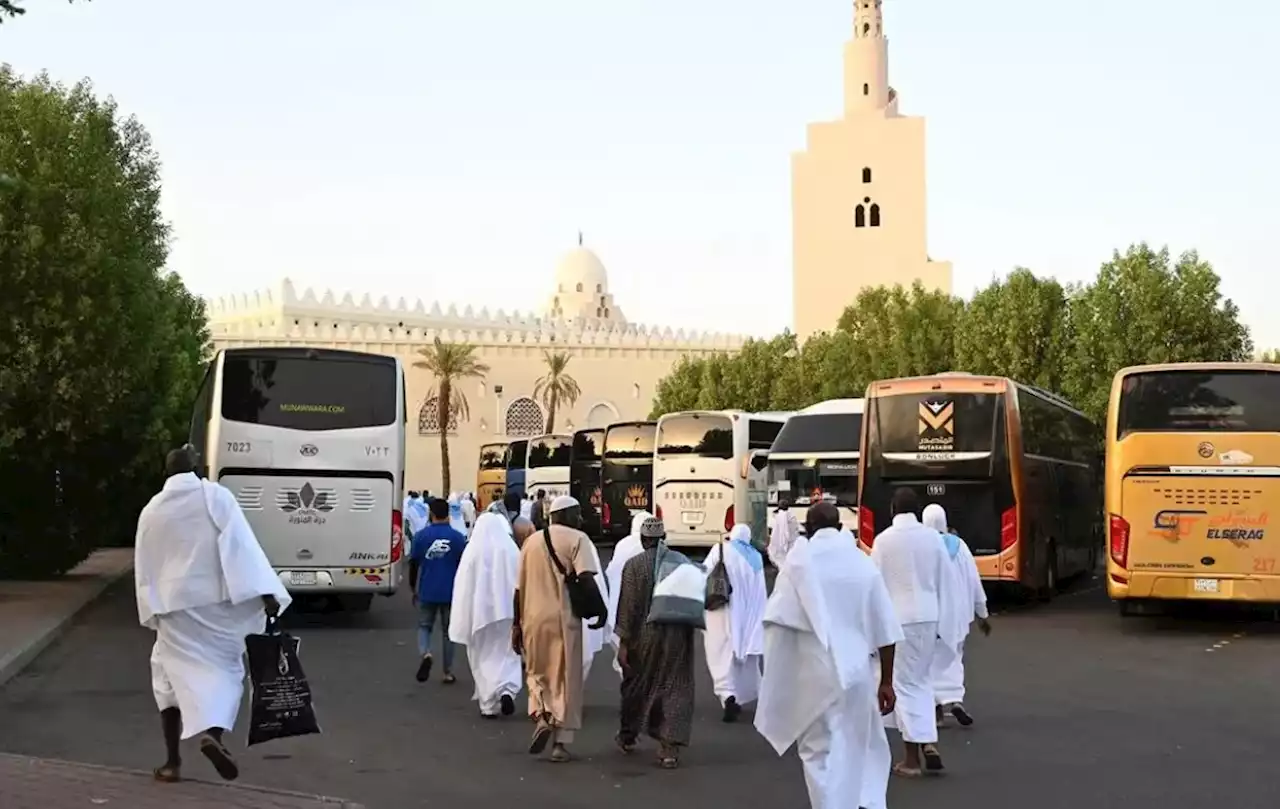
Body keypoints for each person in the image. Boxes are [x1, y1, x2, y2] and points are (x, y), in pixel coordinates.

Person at [134, 446, 291, 784]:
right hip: (220, 604)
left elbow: (144, 564)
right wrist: (266, 592)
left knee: (167, 678)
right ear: (193, 468)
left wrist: (150, 610)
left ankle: (172, 763)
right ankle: (214, 736)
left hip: (174, 608)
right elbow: (242, 545)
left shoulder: (152, 511)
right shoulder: (216, 497)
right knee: (226, 672)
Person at [754, 501, 903, 809]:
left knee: (817, 753)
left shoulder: (796, 568)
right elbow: (886, 630)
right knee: (855, 745)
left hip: (812, 673)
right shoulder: (863, 565)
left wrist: (779, 680)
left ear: (807, 529)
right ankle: (861, 800)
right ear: (840, 527)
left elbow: (778, 626)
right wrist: (886, 681)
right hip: (858, 674)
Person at [869, 487, 960, 777]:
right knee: (920, 680)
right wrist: (949, 622)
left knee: (903, 685)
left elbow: (875, 586)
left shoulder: (883, 541)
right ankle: (926, 743)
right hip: (928, 618)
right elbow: (946, 579)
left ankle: (912, 758)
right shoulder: (933, 539)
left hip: (897, 620)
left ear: (893, 509)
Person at [512, 495, 603, 762]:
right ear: (566, 515)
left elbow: (518, 590)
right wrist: (601, 610)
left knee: (537, 673)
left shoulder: (530, 542)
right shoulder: (578, 539)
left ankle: (541, 716)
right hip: (564, 620)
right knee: (564, 678)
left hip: (532, 618)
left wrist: (516, 625)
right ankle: (559, 744)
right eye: (577, 514)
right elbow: (586, 579)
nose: (580, 519)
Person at [614, 517, 698, 769]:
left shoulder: (634, 565)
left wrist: (624, 644)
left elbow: (628, 608)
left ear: (642, 540)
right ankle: (669, 747)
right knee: (676, 685)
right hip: (677, 637)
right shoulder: (681, 563)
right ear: (664, 538)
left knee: (638, 684)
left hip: (644, 636)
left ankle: (628, 735)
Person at [922, 503, 990, 727]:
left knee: (928, 664)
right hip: (957, 616)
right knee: (954, 658)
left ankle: (936, 710)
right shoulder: (960, 546)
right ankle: (955, 699)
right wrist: (982, 614)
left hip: (929, 616)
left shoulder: (921, 547)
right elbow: (974, 581)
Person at [449, 512, 522, 719]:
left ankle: (488, 704)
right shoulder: (510, 550)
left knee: (481, 656)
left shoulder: (472, 552)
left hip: (479, 615)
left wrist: (463, 616)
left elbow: (463, 587)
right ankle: (507, 689)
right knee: (509, 653)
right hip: (508, 612)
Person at [702, 524, 767, 722]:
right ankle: (737, 696)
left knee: (719, 652)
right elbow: (760, 592)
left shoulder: (720, 549)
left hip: (720, 609)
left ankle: (727, 693)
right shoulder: (756, 558)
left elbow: (704, 574)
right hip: (746, 614)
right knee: (741, 655)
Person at [409, 497, 468, 684]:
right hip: (451, 591)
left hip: (427, 589)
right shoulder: (458, 538)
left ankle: (426, 653)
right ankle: (447, 671)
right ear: (448, 515)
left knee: (424, 626)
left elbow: (414, 564)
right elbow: (464, 566)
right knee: (448, 632)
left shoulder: (421, 536)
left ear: (431, 514)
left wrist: (413, 588)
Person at [604, 511, 652, 677]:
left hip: (621, 606)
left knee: (624, 653)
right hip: (648, 609)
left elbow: (610, 571)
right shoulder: (655, 545)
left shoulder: (623, 544)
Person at [769, 500, 801, 568]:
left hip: (779, 548)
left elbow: (774, 534)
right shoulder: (792, 517)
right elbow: (796, 532)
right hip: (791, 547)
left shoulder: (776, 518)